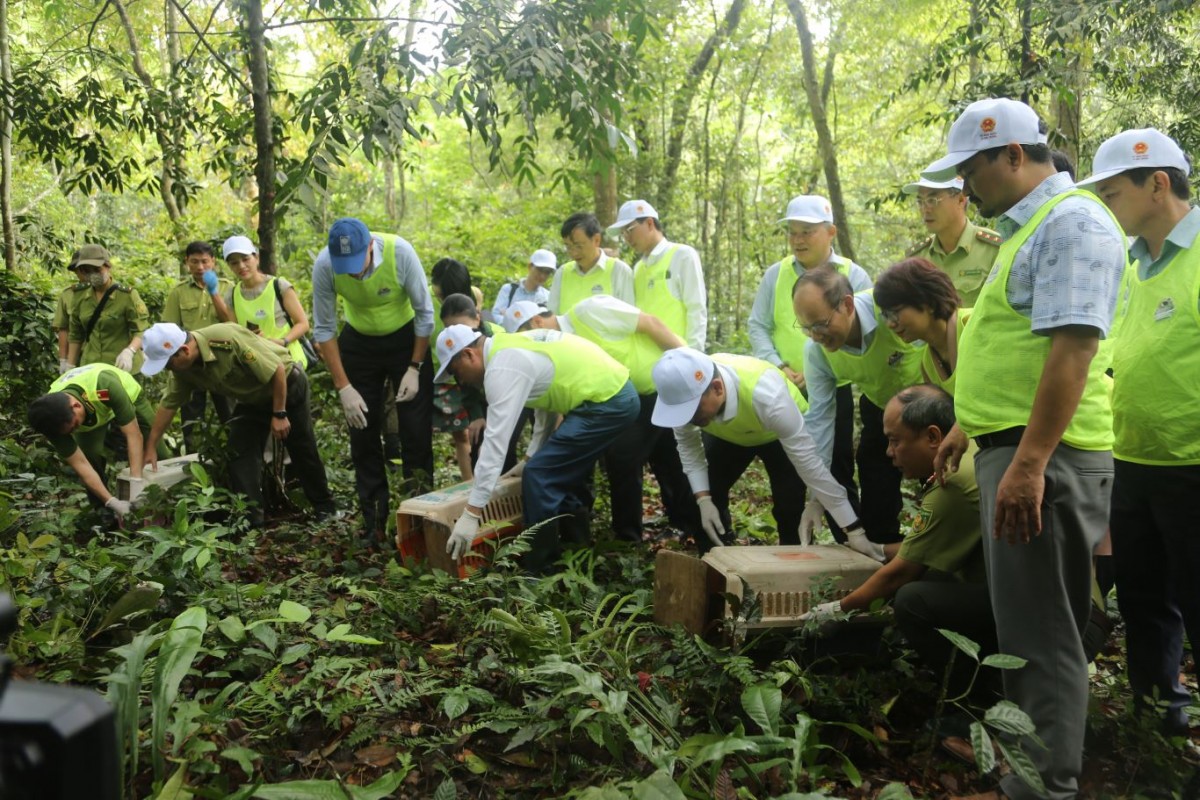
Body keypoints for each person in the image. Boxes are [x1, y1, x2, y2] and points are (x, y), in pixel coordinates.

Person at [926, 98, 1125, 800]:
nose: (964, 186)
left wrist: (1031, 461)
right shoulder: (1029, 226)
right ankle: (1030, 767)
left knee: (1041, 632)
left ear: (1013, 155)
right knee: (1029, 624)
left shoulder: (1070, 222)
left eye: (970, 170)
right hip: (1014, 448)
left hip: (1045, 457)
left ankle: (1044, 786)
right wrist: (970, 425)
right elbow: (1014, 344)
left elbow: (1073, 350)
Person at [1076, 127, 1199, 736]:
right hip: (1130, 461)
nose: (1106, 203)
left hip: (1193, 466)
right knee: (1145, 597)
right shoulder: (1127, 266)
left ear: (1157, 184)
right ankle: (1159, 719)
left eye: (1113, 190)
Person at [804, 385, 991, 702]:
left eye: (895, 440)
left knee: (912, 598)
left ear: (933, 437)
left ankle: (978, 696)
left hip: (1036, 617)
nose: (889, 452)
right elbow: (918, 549)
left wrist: (834, 611)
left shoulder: (952, 481)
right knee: (930, 579)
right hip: (1027, 597)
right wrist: (867, 548)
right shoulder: (970, 450)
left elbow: (901, 572)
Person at [436, 324, 640, 574]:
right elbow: (546, 401)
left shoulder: (502, 367)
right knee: (553, 471)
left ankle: (542, 571)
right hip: (609, 396)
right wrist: (530, 456)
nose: (461, 381)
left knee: (540, 476)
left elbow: (495, 443)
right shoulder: (511, 346)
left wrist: (471, 513)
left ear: (469, 354)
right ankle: (575, 549)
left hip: (607, 402)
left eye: (457, 372)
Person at [503, 297, 700, 545]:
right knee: (655, 458)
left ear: (537, 321)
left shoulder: (589, 311)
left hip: (654, 387)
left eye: (526, 337)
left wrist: (691, 364)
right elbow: (548, 409)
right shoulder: (555, 347)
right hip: (626, 399)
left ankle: (639, 535)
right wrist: (530, 457)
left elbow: (651, 323)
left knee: (632, 457)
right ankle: (662, 528)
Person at [648, 347, 878, 559]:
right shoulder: (684, 395)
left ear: (717, 388)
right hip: (730, 436)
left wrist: (853, 529)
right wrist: (704, 499)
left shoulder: (767, 395)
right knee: (696, 495)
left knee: (790, 507)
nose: (686, 419)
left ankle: (795, 567)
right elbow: (688, 448)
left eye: (692, 411)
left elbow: (810, 465)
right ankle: (719, 561)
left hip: (779, 435)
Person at [748, 195, 871, 530]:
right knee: (791, 470)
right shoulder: (776, 275)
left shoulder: (853, 274)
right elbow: (758, 325)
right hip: (784, 388)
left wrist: (823, 367)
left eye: (807, 231)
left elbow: (865, 329)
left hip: (836, 385)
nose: (798, 239)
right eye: (792, 232)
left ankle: (853, 543)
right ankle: (792, 549)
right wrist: (778, 366)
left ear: (830, 232)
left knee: (838, 469)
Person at [311, 217, 435, 544]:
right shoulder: (325, 264)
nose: (352, 273)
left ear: (371, 246)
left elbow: (425, 313)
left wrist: (414, 366)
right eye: (344, 266)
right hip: (360, 343)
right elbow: (324, 329)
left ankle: (420, 521)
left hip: (406, 339)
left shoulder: (400, 253)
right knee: (362, 430)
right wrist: (344, 387)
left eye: (357, 263)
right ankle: (374, 523)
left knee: (415, 431)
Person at [140, 322, 336, 527]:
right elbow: (168, 405)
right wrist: (152, 445)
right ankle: (251, 521)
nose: (169, 370)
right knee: (239, 451)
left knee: (301, 447)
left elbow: (277, 369)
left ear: (184, 351)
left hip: (286, 385)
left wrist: (279, 414)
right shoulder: (183, 370)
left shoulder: (226, 340)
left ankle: (326, 509)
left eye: (168, 364)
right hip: (252, 400)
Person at [793, 267, 923, 545]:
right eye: (806, 328)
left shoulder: (889, 307)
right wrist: (816, 498)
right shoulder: (816, 353)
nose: (816, 336)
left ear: (847, 305)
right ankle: (882, 556)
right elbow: (821, 422)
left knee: (944, 483)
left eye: (821, 323)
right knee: (874, 475)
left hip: (932, 403)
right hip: (880, 409)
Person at [26, 363, 168, 522]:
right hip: (91, 417)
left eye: (74, 426)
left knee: (159, 454)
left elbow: (133, 435)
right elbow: (80, 464)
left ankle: (172, 505)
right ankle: (105, 512)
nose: (72, 432)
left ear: (76, 405)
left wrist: (135, 483)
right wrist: (111, 502)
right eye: (68, 433)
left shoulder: (105, 384)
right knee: (90, 456)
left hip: (128, 397)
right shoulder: (51, 419)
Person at [606, 199, 707, 350]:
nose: (627, 238)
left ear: (649, 223)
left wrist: (694, 356)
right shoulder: (638, 268)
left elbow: (696, 308)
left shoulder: (682, 255)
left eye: (629, 230)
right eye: (623, 234)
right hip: (644, 363)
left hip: (678, 359)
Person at [163, 241, 236, 451]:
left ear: (213, 261)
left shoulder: (228, 287)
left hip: (222, 361)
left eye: (205, 261)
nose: (200, 266)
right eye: (194, 262)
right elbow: (170, 329)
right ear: (187, 263)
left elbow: (231, 323)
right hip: (191, 363)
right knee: (192, 420)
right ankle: (195, 464)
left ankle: (235, 460)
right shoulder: (178, 292)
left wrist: (213, 292)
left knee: (230, 414)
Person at [902, 174, 1001, 306]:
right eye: (920, 201)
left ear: (961, 200)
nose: (925, 209)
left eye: (932, 200)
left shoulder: (994, 249)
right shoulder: (917, 258)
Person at [873, 258, 968, 394]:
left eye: (894, 313)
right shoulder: (928, 365)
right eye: (886, 316)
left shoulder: (972, 325)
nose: (890, 324)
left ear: (927, 302)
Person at [429, 258, 486, 480]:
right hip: (446, 377)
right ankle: (468, 483)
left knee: (477, 430)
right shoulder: (426, 299)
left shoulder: (471, 299)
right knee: (461, 435)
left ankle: (478, 482)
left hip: (472, 372)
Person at [219, 236, 312, 369]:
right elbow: (236, 334)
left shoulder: (279, 286)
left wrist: (283, 341)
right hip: (257, 365)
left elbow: (303, 323)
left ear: (256, 258)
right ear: (229, 266)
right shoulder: (231, 295)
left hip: (289, 361)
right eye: (234, 263)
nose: (241, 266)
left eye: (246, 259)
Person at [67, 244, 149, 374]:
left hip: (122, 366)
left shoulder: (127, 296)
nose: (93, 275)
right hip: (91, 367)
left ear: (107, 266)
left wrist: (130, 351)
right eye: (87, 271)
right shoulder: (80, 296)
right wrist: (69, 365)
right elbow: (76, 334)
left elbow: (141, 330)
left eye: (97, 269)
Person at [550, 212, 634, 314]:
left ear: (596, 240)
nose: (573, 253)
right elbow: (553, 316)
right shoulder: (562, 273)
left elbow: (629, 319)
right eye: (568, 247)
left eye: (578, 246)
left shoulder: (619, 271)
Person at [490, 249, 555, 324]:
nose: (543, 276)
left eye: (547, 272)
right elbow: (496, 315)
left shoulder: (548, 297)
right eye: (540, 270)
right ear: (530, 266)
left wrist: (510, 317)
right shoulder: (509, 290)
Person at [53, 249, 85, 374]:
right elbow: (63, 328)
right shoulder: (68, 295)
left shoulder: (111, 293)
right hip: (76, 357)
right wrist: (63, 360)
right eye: (79, 269)